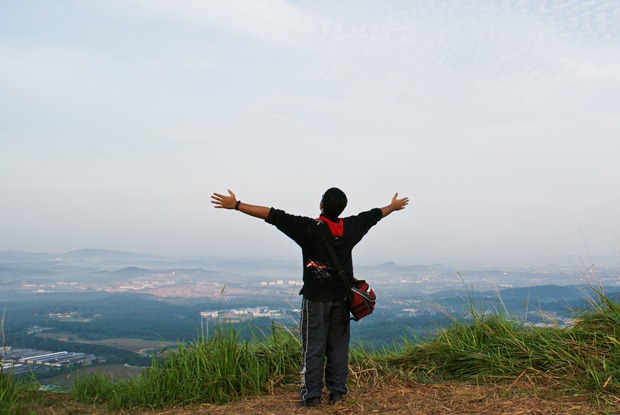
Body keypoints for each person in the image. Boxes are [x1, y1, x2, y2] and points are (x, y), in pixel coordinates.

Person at [210, 188, 409, 407]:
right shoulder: (352, 227)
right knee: (338, 348)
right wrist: (394, 206)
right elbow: (375, 215)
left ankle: (312, 397)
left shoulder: (308, 228)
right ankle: (337, 394)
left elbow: (272, 215)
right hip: (342, 300)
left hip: (315, 300)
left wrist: (237, 205)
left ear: (321, 204)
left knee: (313, 348)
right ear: (342, 208)